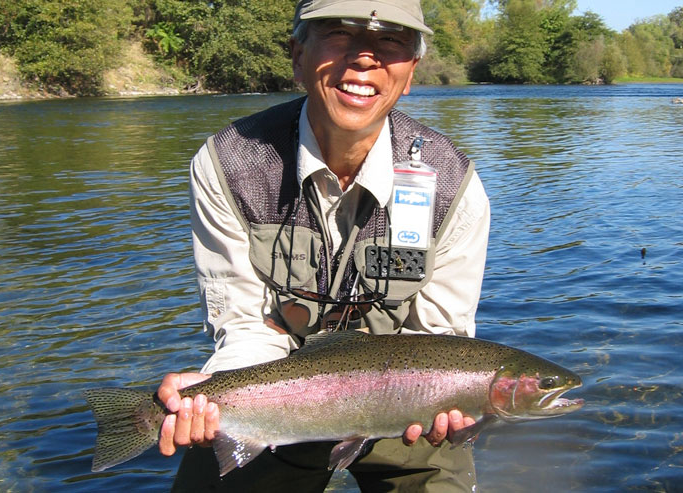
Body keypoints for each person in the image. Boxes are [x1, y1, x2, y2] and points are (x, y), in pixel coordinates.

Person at [158, 0, 490, 491]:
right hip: (278, 396)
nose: (365, 57)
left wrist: (454, 405)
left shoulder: (452, 185)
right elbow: (244, 325)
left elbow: (441, 340)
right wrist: (213, 399)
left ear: (411, 69)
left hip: (404, 409)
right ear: (297, 54)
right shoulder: (228, 166)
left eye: (392, 41)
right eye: (339, 33)